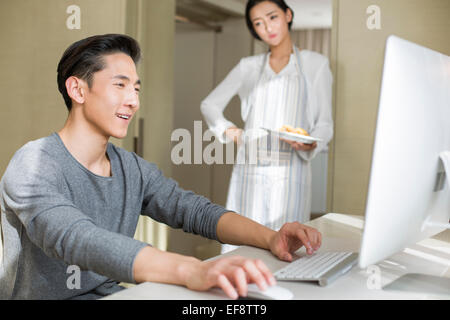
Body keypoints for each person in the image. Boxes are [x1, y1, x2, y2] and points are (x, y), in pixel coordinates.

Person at [0, 33, 322, 300]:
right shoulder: (34, 163)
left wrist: (271, 238)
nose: (133, 100)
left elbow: (193, 210)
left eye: (136, 88)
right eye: (120, 85)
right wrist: (192, 270)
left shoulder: (130, 167)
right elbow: (77, 238)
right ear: (78, 89)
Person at [200, 0, 333, 253]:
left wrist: (312, 142)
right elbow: (210, 105)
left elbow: (325, 123)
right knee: (242, 246)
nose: (267, 28)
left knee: (288, 248)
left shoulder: (315, 64)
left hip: (291, 172)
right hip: (250, 171)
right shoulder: (248, 67)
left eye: (272, 17)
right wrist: (232, 133)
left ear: (288, 15)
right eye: (258, 23)